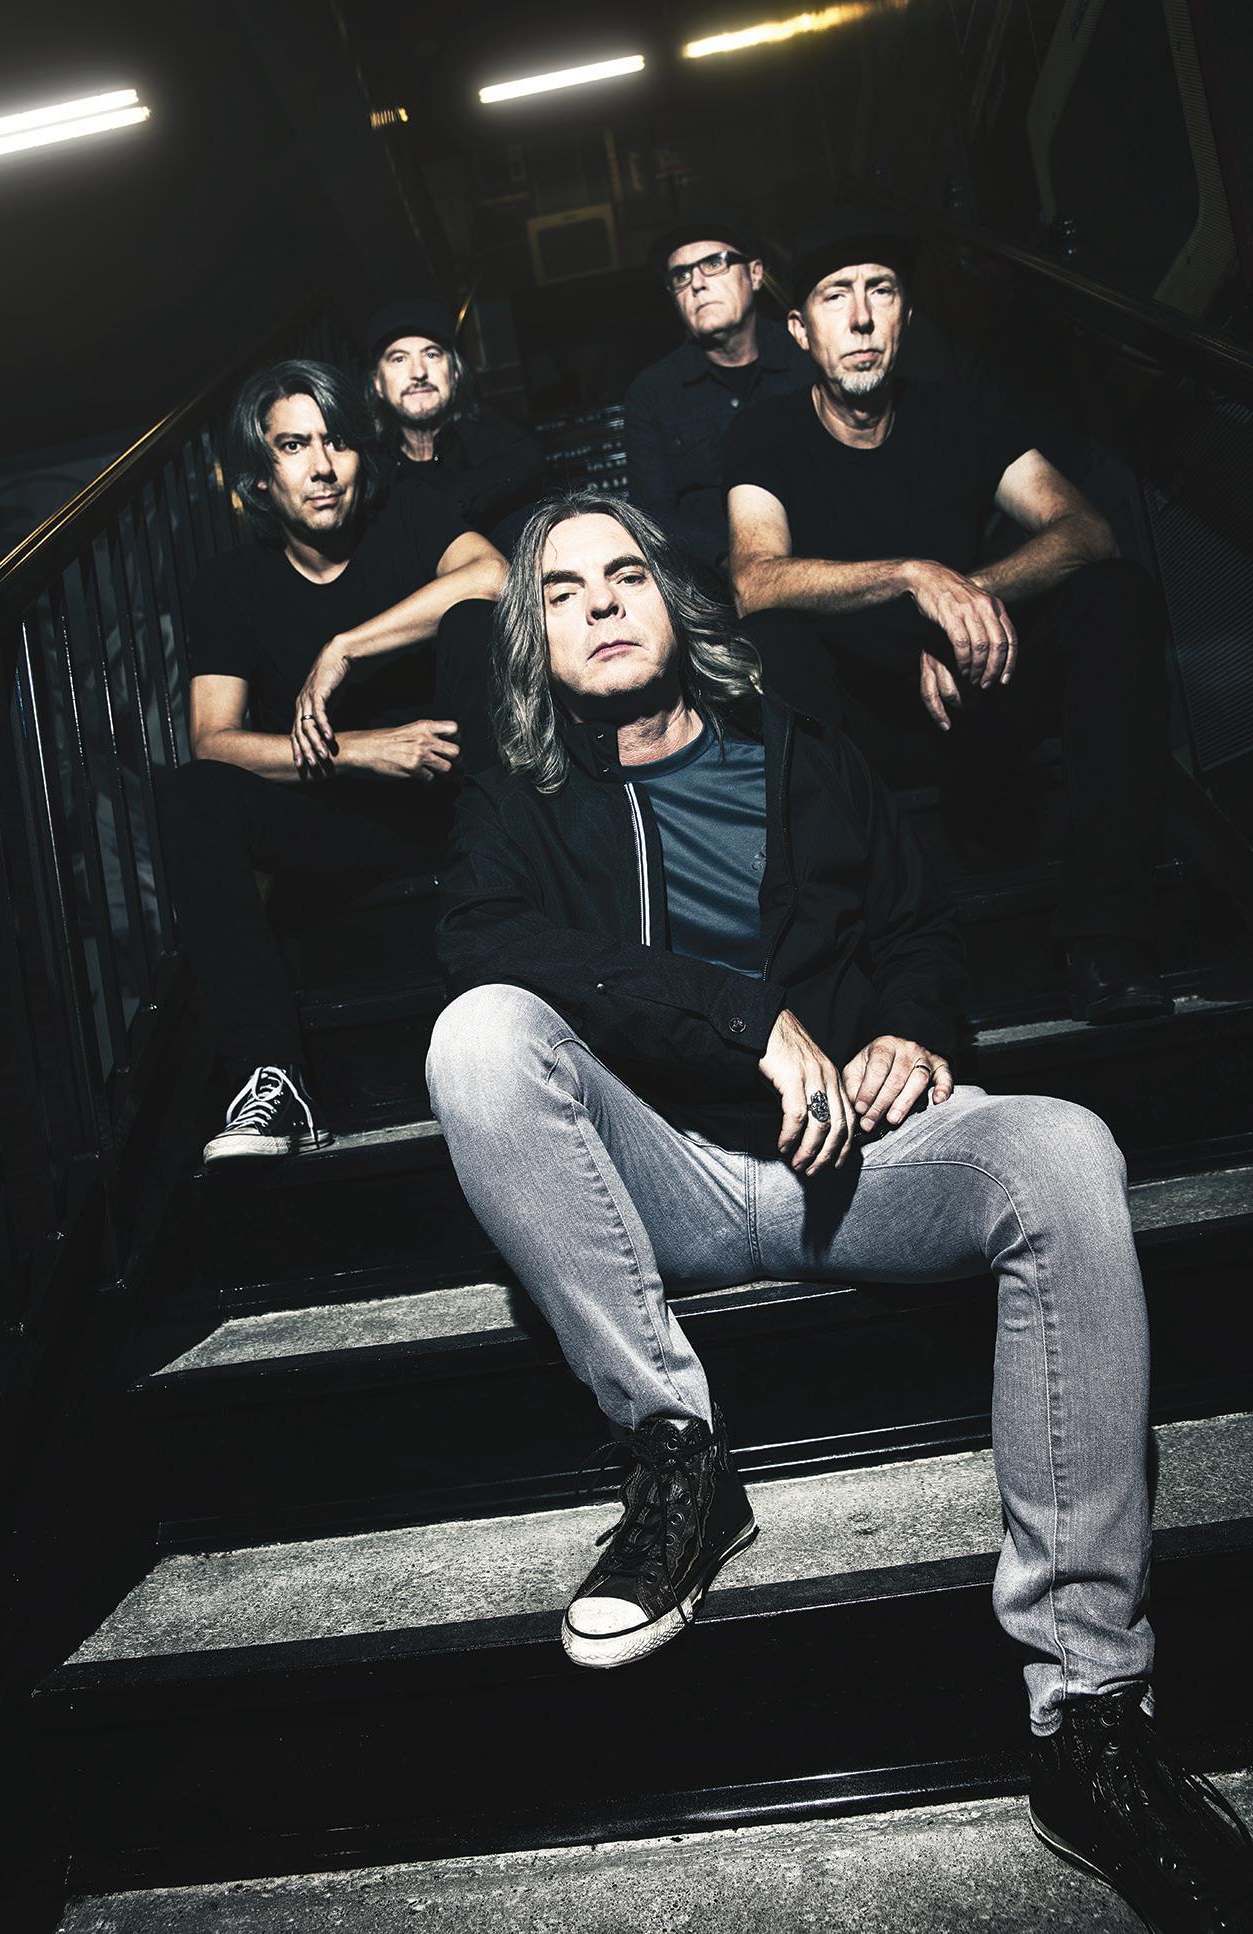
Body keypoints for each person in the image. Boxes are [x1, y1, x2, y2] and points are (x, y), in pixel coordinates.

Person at [426, 492, 1252, 1933]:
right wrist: (745, 1015)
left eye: (626, 573)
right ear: (533, 642)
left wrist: (913, 1032)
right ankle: (677, 1448)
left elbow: (921, 933)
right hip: (664, 1176)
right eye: (561, 590)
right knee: (476, 1034)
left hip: (854, 1166)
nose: (602, 602)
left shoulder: (803, 755)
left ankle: (1090, 1717)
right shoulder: (518, 798)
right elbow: (483, 944)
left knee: (1065, 1147)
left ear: (677, 599)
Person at [726, 201, 1174, 1025]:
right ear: (799, 330)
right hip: (855, 727)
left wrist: (969, 596)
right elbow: (755, 579)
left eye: (882, 290)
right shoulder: (766, 436)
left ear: (906, 315)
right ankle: (842, 968)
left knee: (1116, 596)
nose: (861, 317)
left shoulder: (960, 414)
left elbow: (1085, 530)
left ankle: (1106, 936)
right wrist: (913, 577)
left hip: (976, 697)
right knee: (771, 643)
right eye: (835, 296)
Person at [157, 357, 506, 1165]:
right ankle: (272, 1076)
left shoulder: (406, 513)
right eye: (292, 446)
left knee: (475, 622)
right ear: (258, 476)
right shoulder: (228, 586)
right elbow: (214, 739)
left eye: (336, 442)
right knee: (191, 793)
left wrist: (345, 647)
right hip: (339, 827)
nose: (321, 467)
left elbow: (494, 573)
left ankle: (526, 938)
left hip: (456, 804)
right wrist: (358, 751)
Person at [623, 210, 813, 583]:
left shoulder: (807, 360)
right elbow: (653, 517)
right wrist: (733, 566)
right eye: (681, 275)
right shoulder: (652, 394)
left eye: (714, 263)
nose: (696, 283)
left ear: (755, 274)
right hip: (716, 591)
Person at [367, 298, 544, 548]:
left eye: (431, 354)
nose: (418, 372)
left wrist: (444, 507)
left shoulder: (498, 442)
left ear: (455, 373)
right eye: (399, 359)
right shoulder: (369, 468)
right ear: (378, 384)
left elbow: (530, 461)